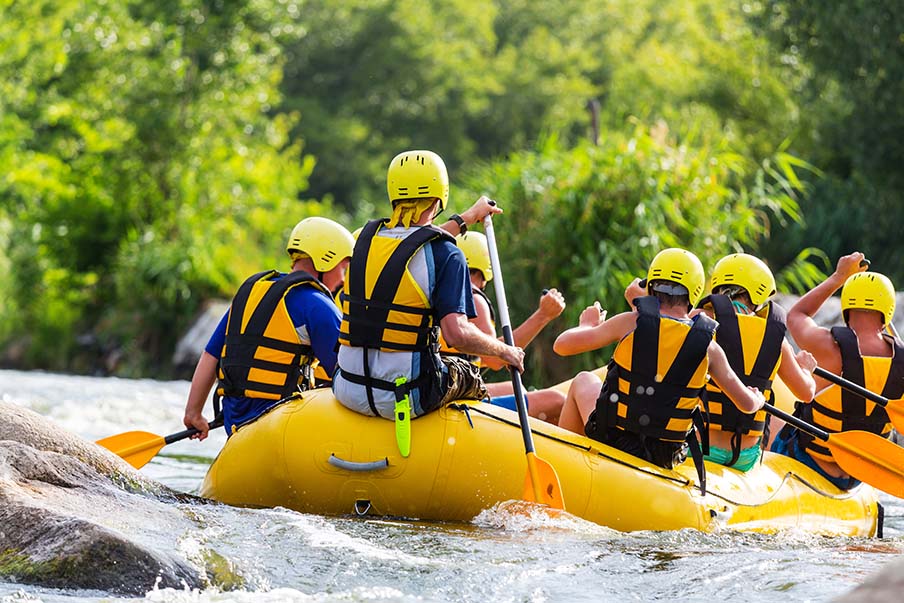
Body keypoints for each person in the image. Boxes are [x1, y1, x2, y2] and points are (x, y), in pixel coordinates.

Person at [333, 149, 525, 424]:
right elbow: (457, 335)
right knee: (469, 375)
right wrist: (505, 351)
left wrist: (467, 217)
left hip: (347, 388)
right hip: (406, 397)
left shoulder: (362, 240)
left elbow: (412, 245)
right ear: (440, 195)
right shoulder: (448, 254)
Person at [554, 248, 765, 476]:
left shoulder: (629, 322)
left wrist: (588, 325)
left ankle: (565, 467)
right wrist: (757, 397)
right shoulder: (709, 348)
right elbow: (746, 404)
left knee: (583, 380)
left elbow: (562, 345)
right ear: (694, 293)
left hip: (614, 439)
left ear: (651, 286)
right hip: (664, 455)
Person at [183, 217, 354, 439]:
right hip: (281, 426)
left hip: (237, 428)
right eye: (344, 268)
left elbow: (210, 355)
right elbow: (348, 374)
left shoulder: (249, 296)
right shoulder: (318, 305)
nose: (343, 279)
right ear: (326, 261)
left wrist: (193, 413)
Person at [771, 252, 904, 490]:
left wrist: (838, 277)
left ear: (846, 307)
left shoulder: (826, 345)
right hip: (861, 475)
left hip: (810, 461)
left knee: (775, 425)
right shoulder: (902, 361)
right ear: (889, 310)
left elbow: (796, 315)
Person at [696, 253, 816, 472]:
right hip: (746, 456)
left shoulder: (699, 322)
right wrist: (806, 370)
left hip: (700, 448)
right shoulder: (776, 339)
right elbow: (806, 393)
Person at [441, 231, 567, 423]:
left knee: (513, 388)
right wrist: (543, 316)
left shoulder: (444, 295)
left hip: (449, 387)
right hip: (456, 399)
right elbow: (495, 360)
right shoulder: (474, 299)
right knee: (556, 401)